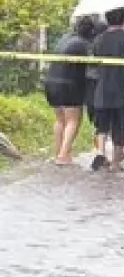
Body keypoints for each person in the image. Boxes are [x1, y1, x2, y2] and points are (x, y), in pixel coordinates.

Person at [43, 16, 96, 165]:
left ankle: (59, 152)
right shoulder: (84, 44)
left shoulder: (65, 38)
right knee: (73, 120)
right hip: (69, 85)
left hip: (51, 82)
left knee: (60, 120)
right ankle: (63, 155)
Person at [92, 8, 124, 172]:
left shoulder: (99, 39)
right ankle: (116, 163)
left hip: (102, 88)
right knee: (120, 127)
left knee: (102, 125)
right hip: (120, 89)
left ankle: (100, 153)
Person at [86, 20, 110, 171]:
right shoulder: (105, 44)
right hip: (104, 88)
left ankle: (101, 154)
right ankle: (110, 158)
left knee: (100, 126)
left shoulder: (92, 45)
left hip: (92, 92)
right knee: (111, 125)